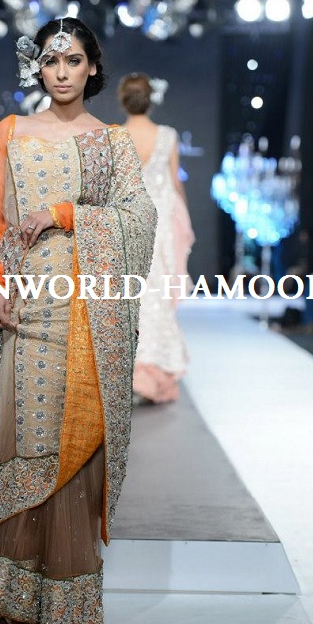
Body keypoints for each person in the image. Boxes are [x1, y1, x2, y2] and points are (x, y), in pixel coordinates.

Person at [0, 18, 156, 624]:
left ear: (92, 67)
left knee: (75, 442)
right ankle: (8, 596)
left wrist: (64, 213)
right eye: (50, 60)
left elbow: (138, 217)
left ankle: (66, 602)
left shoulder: (112, 142)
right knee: (25, 442)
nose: (61, 72)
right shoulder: (11, 131)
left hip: (89, 311)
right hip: (28, 303)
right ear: (35, 66)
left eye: (72, 61)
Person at [118, 73, 194, 403]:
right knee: (157, 294)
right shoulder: (167, 136)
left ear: (123, 101)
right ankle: (152, 373)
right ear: (151, 100)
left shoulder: (115, 136)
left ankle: (131, 372)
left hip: (128, 224)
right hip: (160, 226)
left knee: (129, 295)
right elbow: (175, 183)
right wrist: (184, 219)